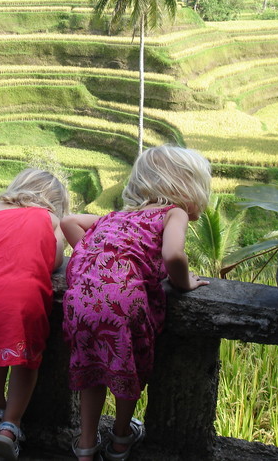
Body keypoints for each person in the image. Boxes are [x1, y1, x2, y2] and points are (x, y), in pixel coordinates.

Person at [61, 145, 212, 461]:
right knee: (128, 367)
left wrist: (96, 259)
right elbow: (173, 255)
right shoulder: (174, 213)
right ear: (190, 186)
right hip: (124, 304)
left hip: (81, 300)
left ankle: (86, 446)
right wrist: (185, 282)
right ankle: (120, 438)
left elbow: (69, 222)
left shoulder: (117, 216)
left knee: (92, 370)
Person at [0, 168, 69, 461]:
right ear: (54, 201)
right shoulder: (50, 218)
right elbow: (54, 261)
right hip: (21, 299)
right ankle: (10, 425)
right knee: (26, 362)